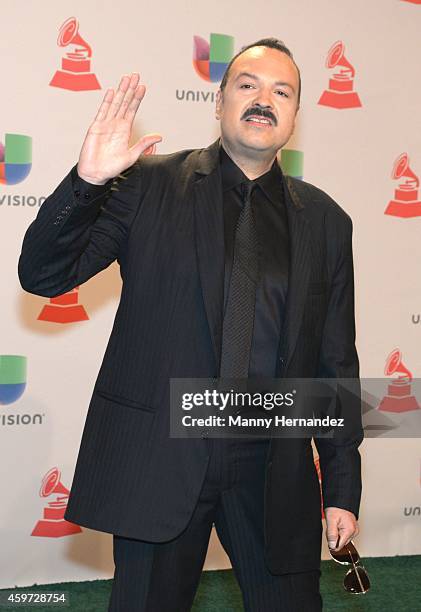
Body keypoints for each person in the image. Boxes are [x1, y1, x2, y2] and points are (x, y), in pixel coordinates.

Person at [18, 38, 363, 612]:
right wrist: (86, 182)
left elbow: (336, 364)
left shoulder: (327, 221)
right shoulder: (147, 185)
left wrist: (343, 488)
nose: (263, 99)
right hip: (162, 457)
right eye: (247, 85)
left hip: (273, 468)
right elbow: (43, 274)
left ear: (296, 116)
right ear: (220, 101)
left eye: (282, 91)